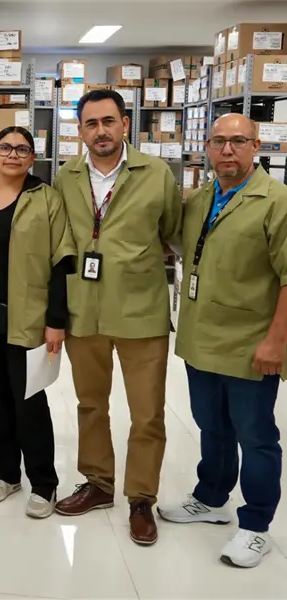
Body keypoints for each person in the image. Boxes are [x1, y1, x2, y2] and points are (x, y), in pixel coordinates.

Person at [52, 89, 183, 545]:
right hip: (83, 310)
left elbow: (170, 231)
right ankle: (99, 483)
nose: (101, 131)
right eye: (91, 124)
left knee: (147, 413)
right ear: (80, 130)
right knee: (91, 404)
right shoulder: (66, 176)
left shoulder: (156, 172)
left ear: (125, 124)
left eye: (109, 121)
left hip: (140, 311)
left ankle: (141, 498)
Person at [158, 114, 287, 568]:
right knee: (212, 427)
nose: (227, 150)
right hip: (201, 338)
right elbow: (179, 246)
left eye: (238, 141)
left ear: (257, 146)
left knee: (255, 437)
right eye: (218, 141)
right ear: (207, 147)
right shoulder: (200, 198)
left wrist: (277, 342)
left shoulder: (276, 201)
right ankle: (211, 499)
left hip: (250, 344)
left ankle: (255, 527)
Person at [0, 127, 75, 518]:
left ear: (32, 157)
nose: (12, 155)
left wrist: (56, 320)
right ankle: (5, 472)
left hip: (29, 317)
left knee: (30, 399)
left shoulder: (47, 199)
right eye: (5, 147)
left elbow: (63, 262)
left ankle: (44, 482)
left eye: (21, 149)